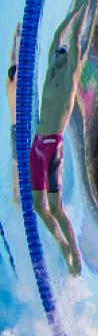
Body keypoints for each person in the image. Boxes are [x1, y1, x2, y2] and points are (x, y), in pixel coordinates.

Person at [30, 0, 92, 276]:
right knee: (38, 207)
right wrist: (69, 16)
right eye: (55, 55)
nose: (56, 57)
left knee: (55, 208)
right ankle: (62, 247)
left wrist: (83, 9)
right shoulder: (48, 79)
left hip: (53, 146)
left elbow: (74, 44)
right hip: (36, 147)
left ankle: (75, 252)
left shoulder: (68, 77)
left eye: (61, 56)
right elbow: (57, 38)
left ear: (66, 61)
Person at [6, 24, 20, 207]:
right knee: (17, 162)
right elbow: (14, 63)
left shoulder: (8, 85)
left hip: (14, 127)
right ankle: (16, 195)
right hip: (19, 128)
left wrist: (14, 40)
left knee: (16, 162)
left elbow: (12, 62)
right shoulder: (15, 85)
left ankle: (16, 194)